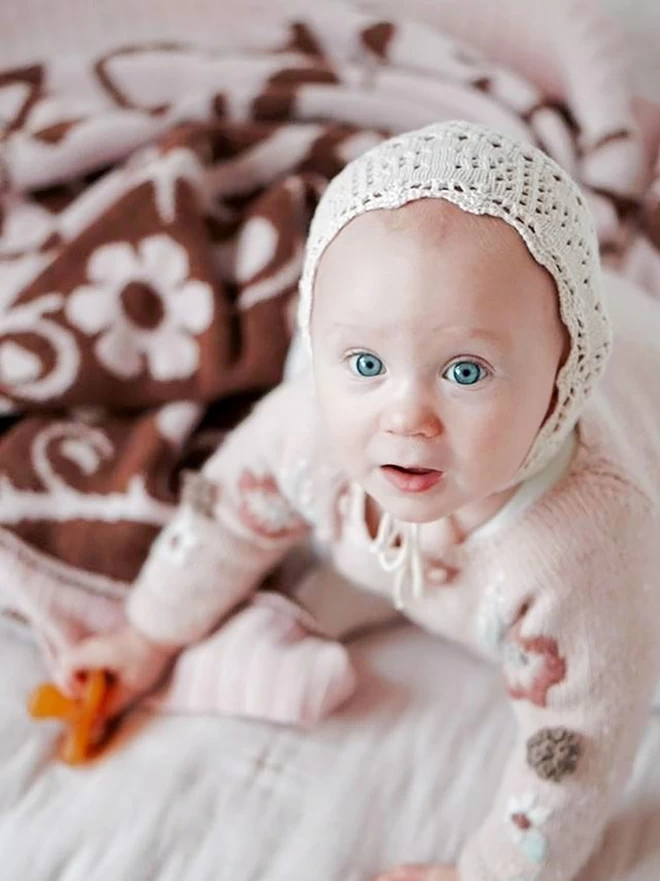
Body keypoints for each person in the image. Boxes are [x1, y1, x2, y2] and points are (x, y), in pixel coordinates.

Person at [61, 120, 660, 881]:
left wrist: (489, 872)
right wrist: (146, 635)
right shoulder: (308, 431)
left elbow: (576, 750)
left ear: (563, 374)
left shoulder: (584, 549)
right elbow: (222, 518)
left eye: (466, 372)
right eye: (367, 362)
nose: (406, 416)